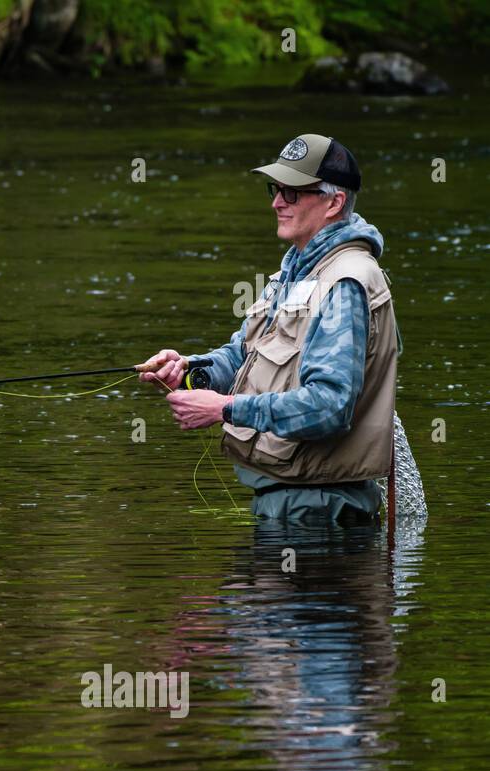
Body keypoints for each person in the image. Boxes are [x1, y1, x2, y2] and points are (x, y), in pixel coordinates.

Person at [138, 134, 399, 526]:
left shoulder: (346, 283)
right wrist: (190, 371)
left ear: (334, 202)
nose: (277, 202)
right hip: (292, 503)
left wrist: (224, 408)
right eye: (276, 189)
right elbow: (245, 354)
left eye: (292, 193)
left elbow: (330, 406)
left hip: (320, 511)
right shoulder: (294, 272)